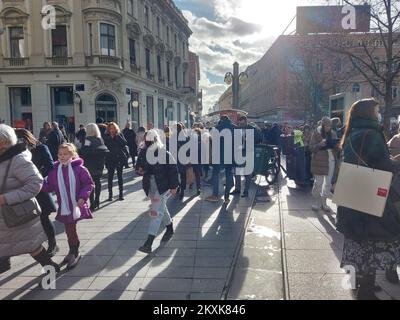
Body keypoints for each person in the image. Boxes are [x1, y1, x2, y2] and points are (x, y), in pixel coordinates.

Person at [336, 99, 400, 299]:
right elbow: (383, 166)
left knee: (358, 238)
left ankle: (361, 283)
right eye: (377, 109)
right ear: (369, 112)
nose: (379, 113)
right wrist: (396, 162)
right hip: (370, 191)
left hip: (355, 189)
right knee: (372, 239)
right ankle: (366, 289)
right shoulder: (372, 134)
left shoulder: (352, 132)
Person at [0, 124, 59, 275]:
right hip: (4, 217)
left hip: (15, 214)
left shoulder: (18, 159)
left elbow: (35, 183)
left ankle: (51, 269)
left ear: (3, 141)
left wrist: (6, 198)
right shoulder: (3, 157)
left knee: (32, 247)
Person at [42, 143, 94, 270]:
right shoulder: (55, 171)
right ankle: (73, 250)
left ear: (72, 154)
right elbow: (49, 186)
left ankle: (74, 251)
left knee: (70, 229)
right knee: (69, 229)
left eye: (65, 154)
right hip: (64, 206)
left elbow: (88, 184)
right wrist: (39, 183)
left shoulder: (80, 169)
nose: (62, 156)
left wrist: (82, 197)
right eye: (60, 154)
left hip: (76, 204)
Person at [15, 129, 59, 256]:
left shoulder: (41, 148)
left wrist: (36, 176)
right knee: (29, 220)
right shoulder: (16, 152)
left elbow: (50, 166)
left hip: (38, 188)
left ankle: (52, 243)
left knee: (44, 217)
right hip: (23, 190)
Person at [135, 130, 179, 254]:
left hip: (163, 186)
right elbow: (138, 166)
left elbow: (172, 169)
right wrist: (140, 170)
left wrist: (174, 186)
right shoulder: (143, 152)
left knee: (156, 212)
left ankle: (149, 242)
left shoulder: (164, 153)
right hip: (151, 184)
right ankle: (169, 227)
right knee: (161, 208)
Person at [309, 117, 339, 212]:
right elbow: (311, 148)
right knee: (318, 182)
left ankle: (324, 202)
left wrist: (337, 146)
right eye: (326, 125)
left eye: (330, 126)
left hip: (331, 159)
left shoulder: (333, 133)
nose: (328, 127)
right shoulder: (316, 133)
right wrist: (319, 145)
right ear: (322, 125)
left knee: (328, 183)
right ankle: (316, 201)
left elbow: (336, 148)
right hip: (319, 160)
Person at [206, 116, 236, 204]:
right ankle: (226, 197)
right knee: (229, 173)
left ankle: (215, 195)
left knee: (215, 174)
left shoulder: (217, 128)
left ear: (221, 121)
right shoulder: (235, 127)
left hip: (219, 155)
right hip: (230, 155)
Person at [80, 124, 109, 211]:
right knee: (98, 181)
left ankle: (92, 203)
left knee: (90, 183)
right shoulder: (100, 139)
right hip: (99, 163)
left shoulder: (87, 140)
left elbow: (84, 151)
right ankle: (97, 200)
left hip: (90, 164)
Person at [231, 116, 256, 198]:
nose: (241, 125)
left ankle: (246, 190)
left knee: (247, 173)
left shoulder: (251, 128)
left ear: (246, 121)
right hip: (239, 152)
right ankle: (237, 189)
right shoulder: (238, 129)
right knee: (237, 171)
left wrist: (248, 139)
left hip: (248, 152)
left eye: (242, 123)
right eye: (239, 123)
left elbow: (258, 138)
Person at [104, 122, 128, 201]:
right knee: (110, 177)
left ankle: (121, 194)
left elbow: (124, 143)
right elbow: (105, 146)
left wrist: (117, 136)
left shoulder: (119, 135)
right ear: (108, 129)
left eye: (113, 128)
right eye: (111, 128)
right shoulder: (106, 136)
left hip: (119, 158)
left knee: (119, 176)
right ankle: (110, 195)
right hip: (110, 159)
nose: (112, 130)